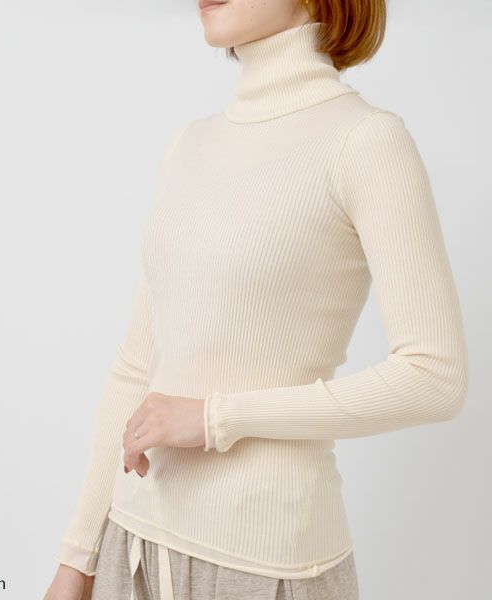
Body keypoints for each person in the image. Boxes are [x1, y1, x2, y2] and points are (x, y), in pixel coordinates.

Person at [43, 1, 469, 599]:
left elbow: (435, 377)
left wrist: (217, 418)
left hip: (267, 565)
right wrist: (78, 558)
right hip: (131, 546)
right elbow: (138, 365)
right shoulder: (189, 144)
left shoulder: (366, 141)